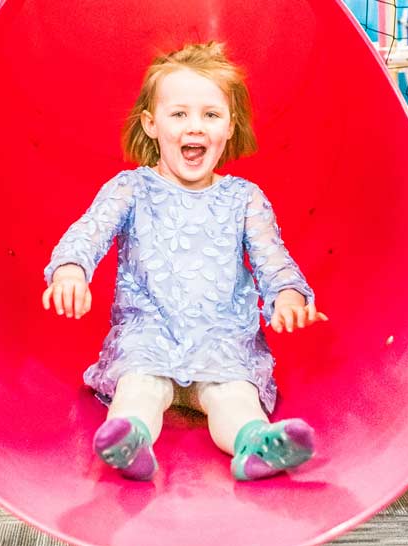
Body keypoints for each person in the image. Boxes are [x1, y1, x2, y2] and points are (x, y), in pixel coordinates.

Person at [42, 41, 326, 481]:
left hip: (221, 339)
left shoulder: (243, 198)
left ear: (230, 127)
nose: (195, 126)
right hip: (149, 333)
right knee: (141, 386)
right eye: (179, 115)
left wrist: (288, 297)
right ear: (151, 125)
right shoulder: (131, 189)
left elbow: (274, 261)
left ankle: (256, 444)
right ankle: (130, 439)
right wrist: (70, 271)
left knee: (232, 394)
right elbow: (88, 233)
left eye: (210, 115)